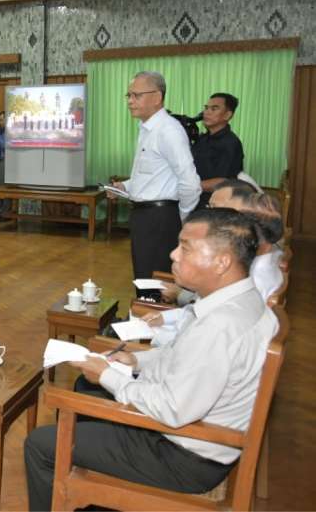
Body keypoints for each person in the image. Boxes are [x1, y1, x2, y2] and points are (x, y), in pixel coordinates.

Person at [24, 208, 277, 512]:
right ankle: (99, 495)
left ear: (222, 262)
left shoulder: (219, 326)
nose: (173, 254)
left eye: (185, 247)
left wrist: (108, 375)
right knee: (86, 387)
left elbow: (172, 409)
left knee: (41, 445)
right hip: (194, 434)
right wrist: (135, 362)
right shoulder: (240, 301)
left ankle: (95, 487)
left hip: (181, 455)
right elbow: (179, 355)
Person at [147, 182, 285, 346]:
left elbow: (199, 343)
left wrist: (153, 338)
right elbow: (202, 307)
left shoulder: (249, 281)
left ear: (247, 235)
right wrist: (165, 317)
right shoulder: (259, 263)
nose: (217, 222)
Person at [111, 71, 200, 299]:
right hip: (146, 216)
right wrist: (126, 187)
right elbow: (151, 175)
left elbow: (191, 183)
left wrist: (180, 216)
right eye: (128, 95)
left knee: (155, 285)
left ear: (157, 97)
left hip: (159, 218)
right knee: (144, 278)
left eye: (136, 95)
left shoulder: (168, 130)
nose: (130, 101)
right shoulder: (147, 129)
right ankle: (146, 318)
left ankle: (153, 319)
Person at [192, 92, 245, 209]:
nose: (207, 112)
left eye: (214, 109)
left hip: (213, 205)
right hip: (192, 199)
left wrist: (188, 186)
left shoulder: (230, 143)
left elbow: (223, 182)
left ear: (227, 115)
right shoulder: (202, 139)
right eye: (206, 108)